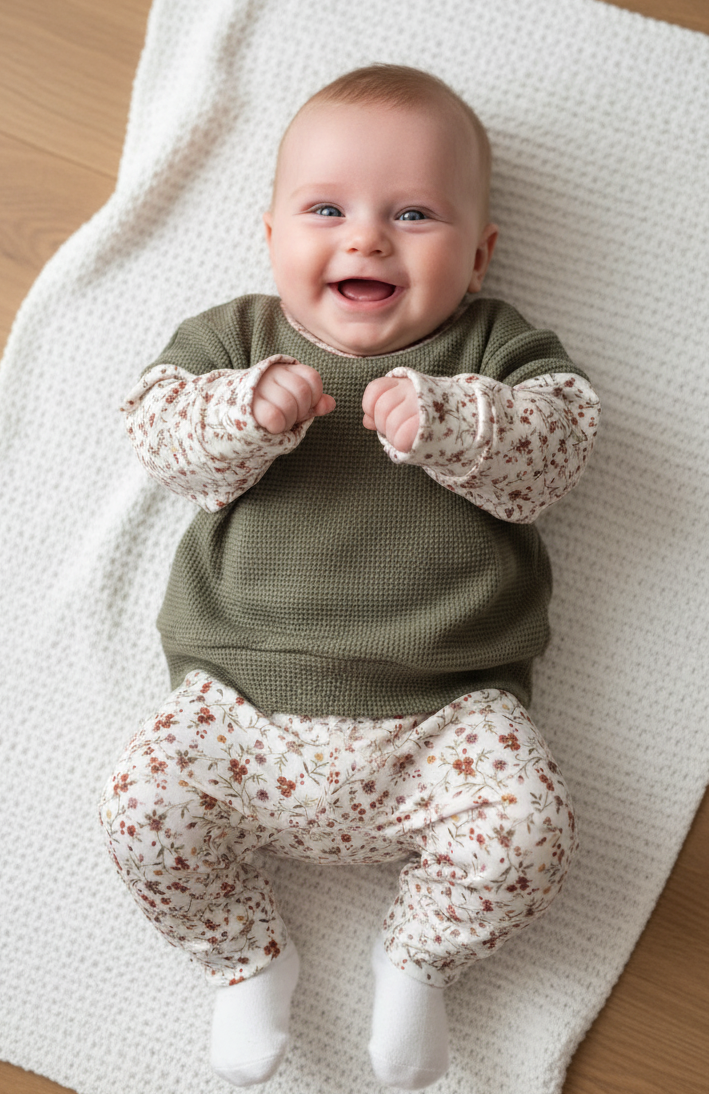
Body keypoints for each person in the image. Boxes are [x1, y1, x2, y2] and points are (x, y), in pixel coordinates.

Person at [99, 64, 599, 1090]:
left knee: (527, 830)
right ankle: (245, 955)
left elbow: (559, 448)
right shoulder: (234, 338)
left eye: (414, 214)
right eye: (325, 209)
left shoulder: (492, 344)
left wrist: (458, 422)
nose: (366, 238)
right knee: (139, 806)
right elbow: (159, 435)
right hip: (238, 706)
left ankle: (416, 958)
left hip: (447, 715)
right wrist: (241, 414)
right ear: (272, 233)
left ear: (479, 251)